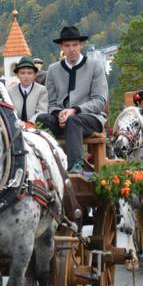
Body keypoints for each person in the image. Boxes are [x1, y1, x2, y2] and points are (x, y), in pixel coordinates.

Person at [37, 25, 108, 175]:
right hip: (62, 119)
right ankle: (46, 166)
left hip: (89, 118)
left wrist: (74, 111)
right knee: (41, 119)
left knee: (73, 121)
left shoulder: (95, 66)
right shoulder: (53, 69)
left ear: (81, 45)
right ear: (61, 47)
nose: (71, 49)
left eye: (75, 45)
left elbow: (100, 101)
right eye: (67, 45)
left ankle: (76, 167)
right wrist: (59, 114)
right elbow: (51, 102)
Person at [8, 56, 48, 123]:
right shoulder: (10, 92)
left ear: (34, 75)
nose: (26, 76)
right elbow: (10, 113)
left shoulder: (42, 90)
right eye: (22, 73)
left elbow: (42, 111)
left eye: (30, 73)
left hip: (35, 126)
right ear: (17, 75)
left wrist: (30, 123)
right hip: (16, 126)